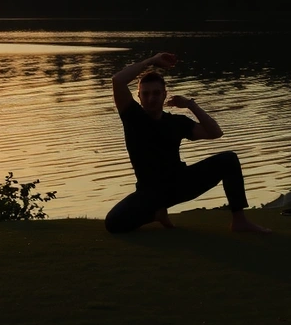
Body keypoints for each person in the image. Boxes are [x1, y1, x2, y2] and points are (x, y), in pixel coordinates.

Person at [105, 52, 270, 234]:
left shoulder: (177, 122)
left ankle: (240, 221)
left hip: (180, 184)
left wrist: (191, 105)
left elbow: (215, 132)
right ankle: (156, 213)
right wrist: (151, 61)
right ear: (139, 96)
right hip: (149, 192)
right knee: (113, 224)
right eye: (146, 94)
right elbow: (118, 80)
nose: (151, 98)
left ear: (164, 94)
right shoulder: (132, 117)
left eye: (156, 93)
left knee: (228, 160)